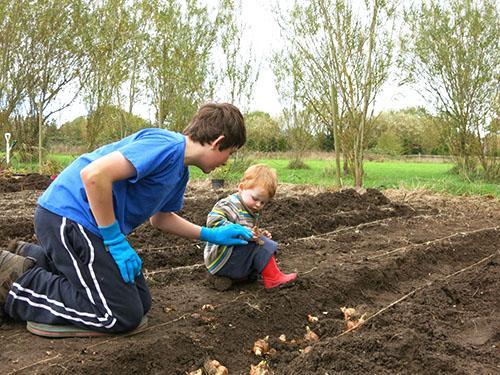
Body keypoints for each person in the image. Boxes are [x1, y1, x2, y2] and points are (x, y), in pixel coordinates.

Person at [0, 103, 253, 333]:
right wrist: (115, 240)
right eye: (229, 153)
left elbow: (160, 219)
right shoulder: (166, 145)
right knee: (118, 315)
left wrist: (210, 234)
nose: (226, 162)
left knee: (141, 302)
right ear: (218, 142)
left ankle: (30, 258)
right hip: (68, 217)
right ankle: (16, 283)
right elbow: (94, 175)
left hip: (86, 225)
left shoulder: (180, 173)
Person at [204, 164, 297, 290]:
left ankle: (228, 278)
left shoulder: (250, 208)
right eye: (255, 199)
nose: (258, 205)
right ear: (241, 188)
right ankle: (273, 279)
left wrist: (260, 233)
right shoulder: (229, 204)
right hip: (222, 257)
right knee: (263, 246)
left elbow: (249, 229)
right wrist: (237, 230)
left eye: (263, 202)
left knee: (261, 243)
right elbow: (213, 221)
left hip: (229, 259)